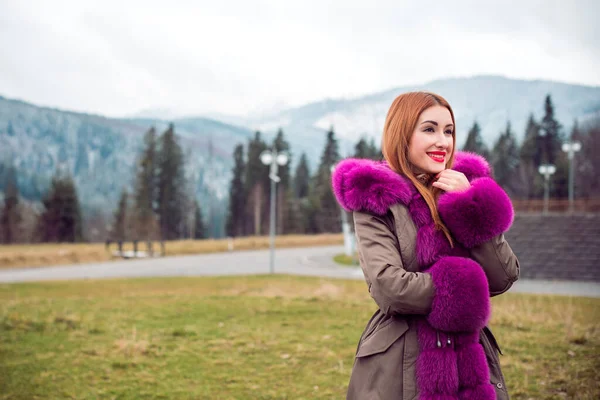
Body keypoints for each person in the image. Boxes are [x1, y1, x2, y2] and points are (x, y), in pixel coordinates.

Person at [331, 91, 519, 400]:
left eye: (449, 131)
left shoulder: (460, 189)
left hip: (468, 361)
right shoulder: (377, 199)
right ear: (402, 134)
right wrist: (461, 288)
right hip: (403, 363)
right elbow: (388, 287)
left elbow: (502, 277)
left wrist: (471, 203)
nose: (443, 142)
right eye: (429, 129)